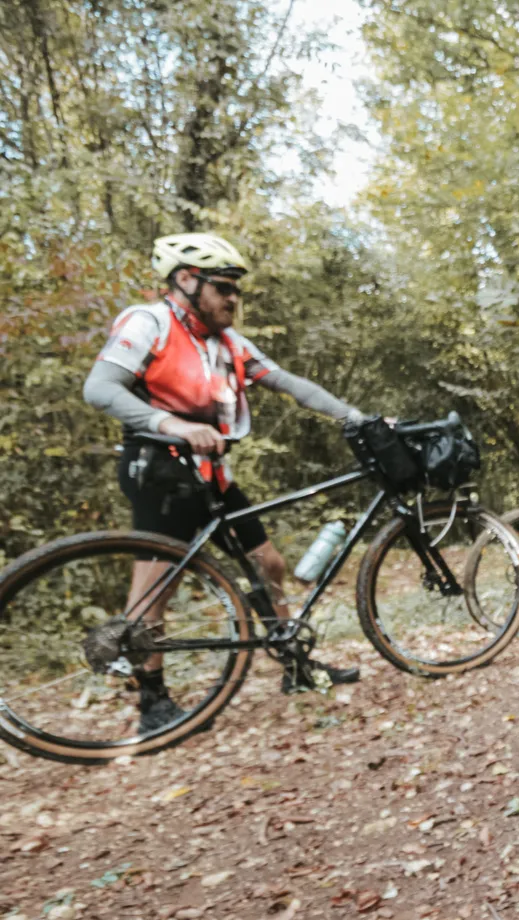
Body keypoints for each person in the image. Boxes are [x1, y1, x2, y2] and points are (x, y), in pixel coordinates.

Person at [83, 232, 363, 732]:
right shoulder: (149, 322)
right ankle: (153, 702)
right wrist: (174, 424)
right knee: (155, 588)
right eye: (222, 286)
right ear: (185, 281)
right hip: (159, 469)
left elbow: (289, 383)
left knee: (267, 562)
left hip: (211, 473)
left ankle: (295, 664)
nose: (233, 298)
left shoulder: (226, 342)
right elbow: (100, 388)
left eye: (236, 288)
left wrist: (355, 417)